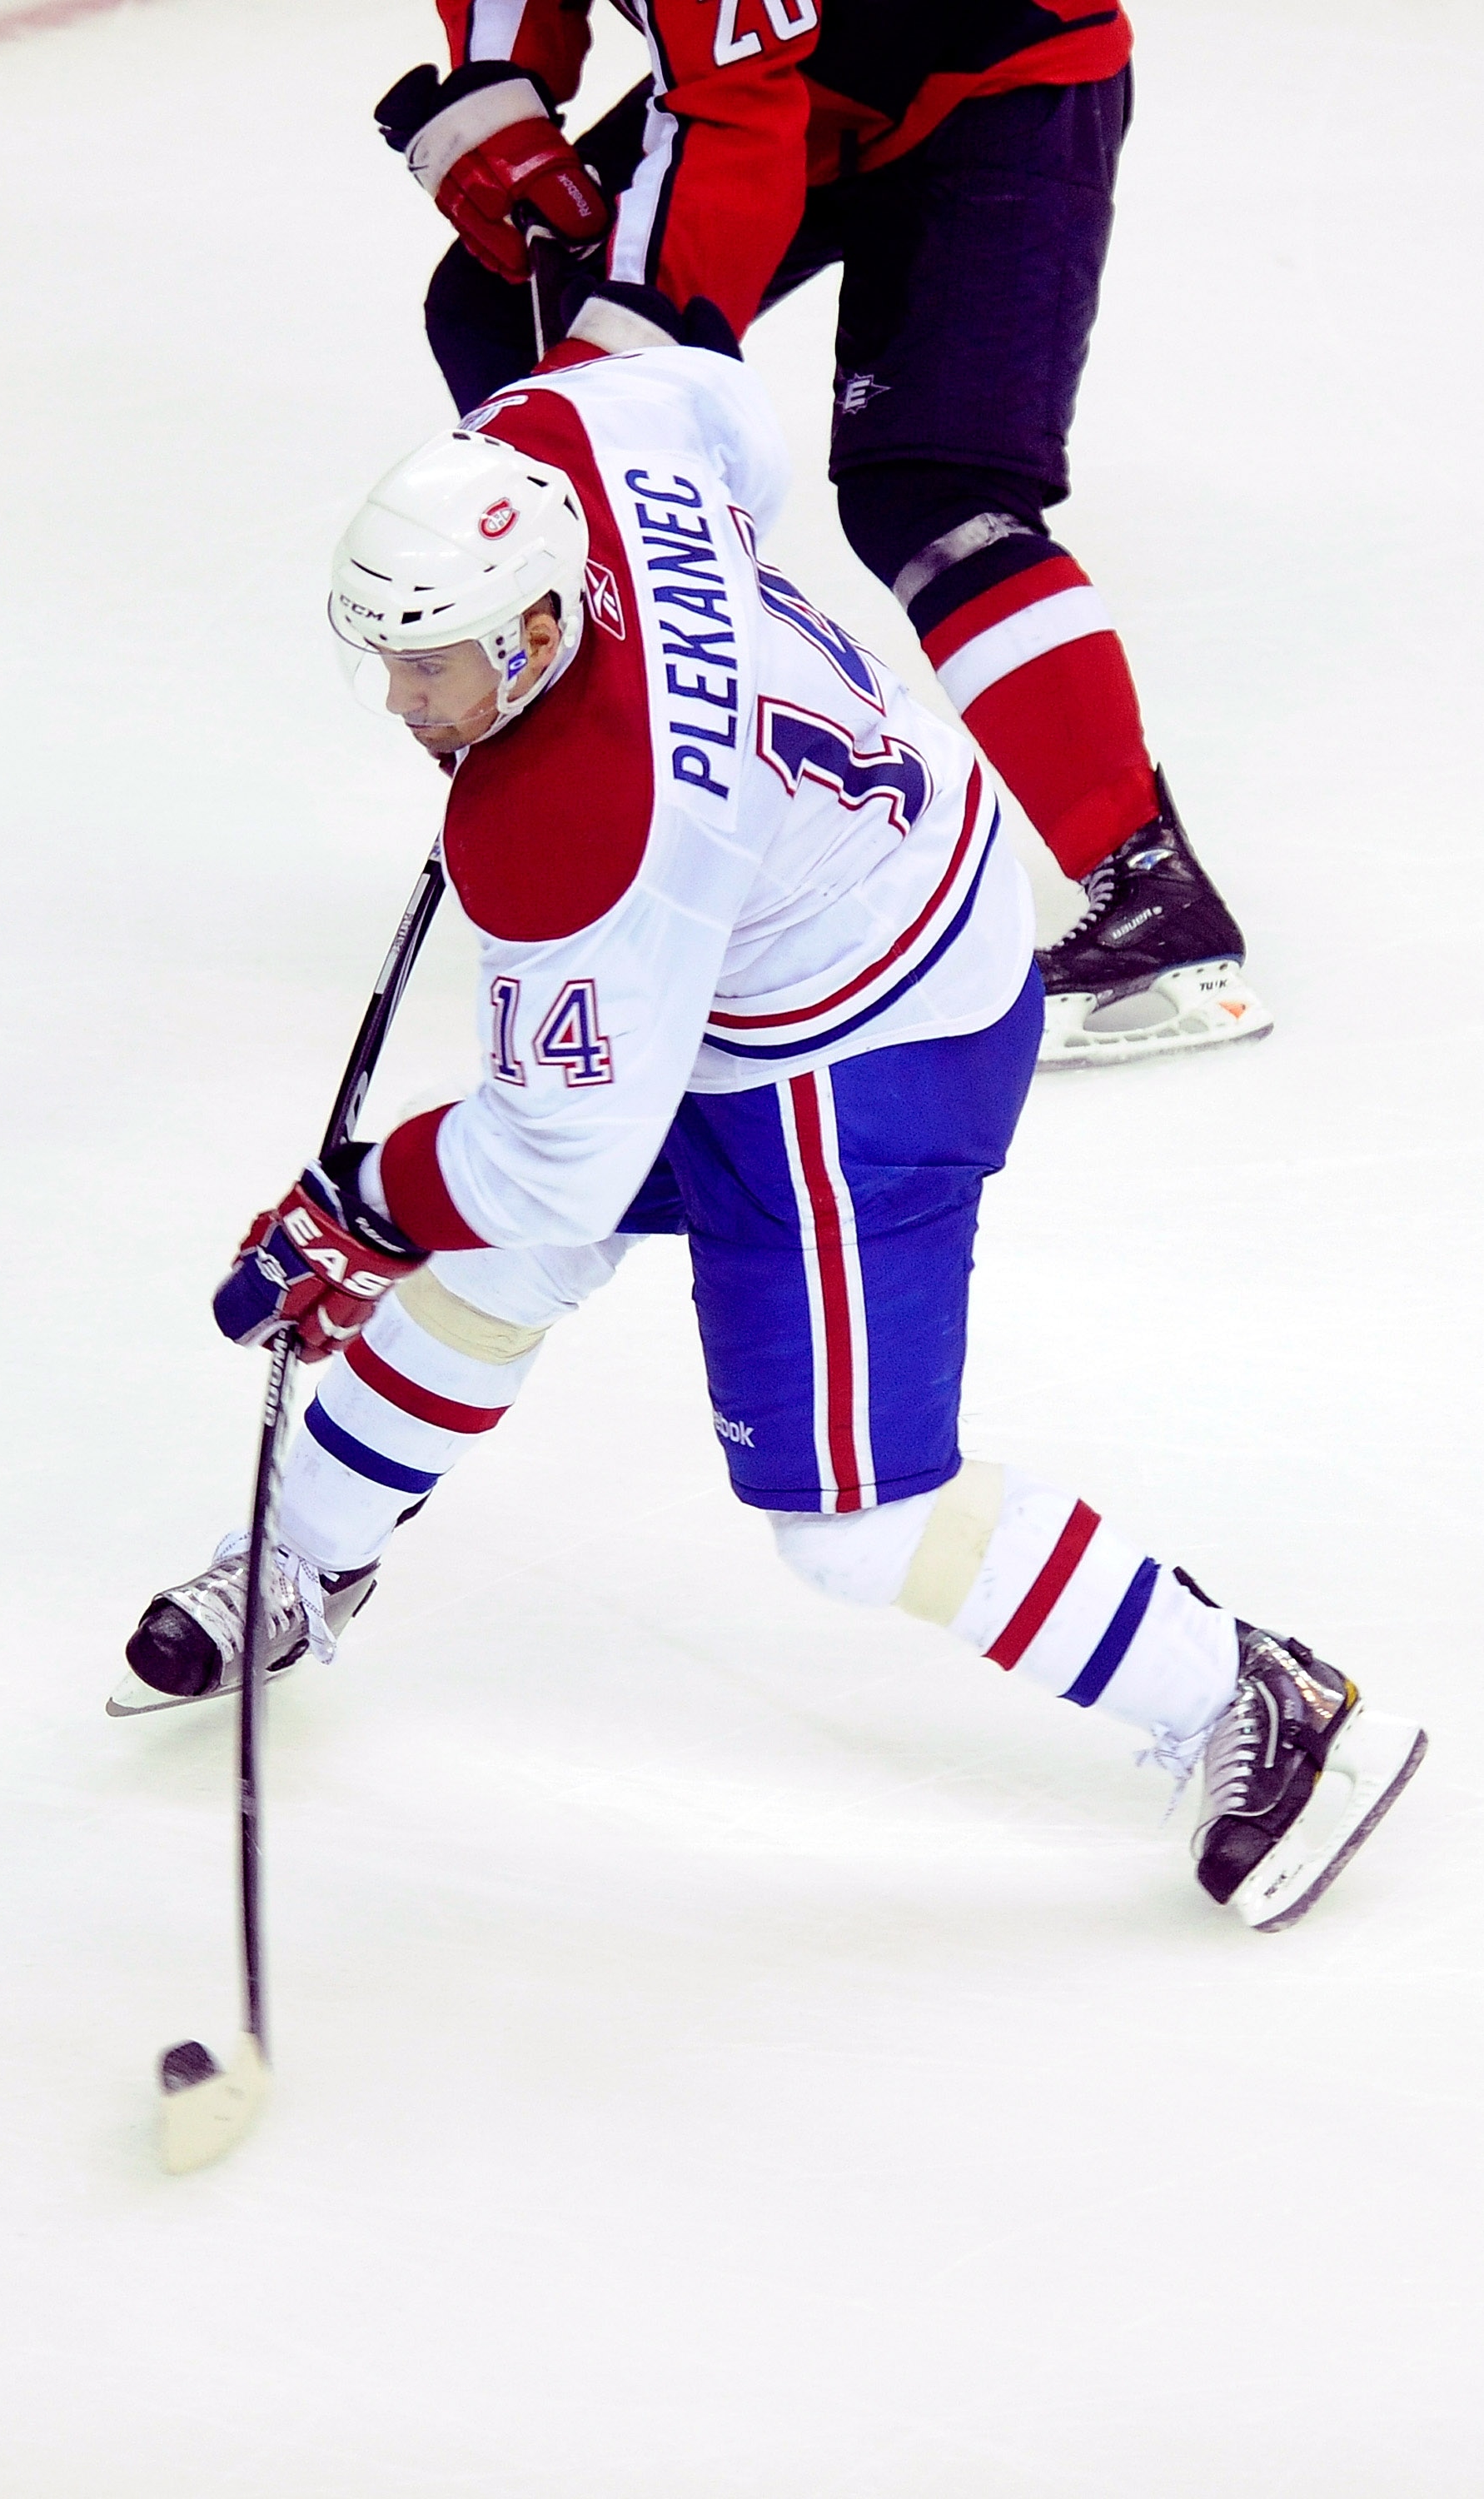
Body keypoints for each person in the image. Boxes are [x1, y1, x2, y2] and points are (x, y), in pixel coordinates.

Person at [117, 322, 1421, 1933]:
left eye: (428, 667)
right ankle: (308, 1555)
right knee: (519, 1251)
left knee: (853, 1519)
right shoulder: (568, 440)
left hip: (866, 1056)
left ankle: (1251, 1691)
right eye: (383, 656)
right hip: (835, 901)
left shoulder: (587, 831)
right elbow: (724, 408)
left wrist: (362, 1204)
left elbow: (555, 1148)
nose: (398, 698)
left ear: (532, 630)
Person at [371, 0, 1272, 1071]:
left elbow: (732, 121)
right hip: (810, 77)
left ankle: (1154, 897)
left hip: (997, 81)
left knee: (931, 492)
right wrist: (499, 88)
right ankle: (641, 769)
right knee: (492, 302)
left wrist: (612, 371)